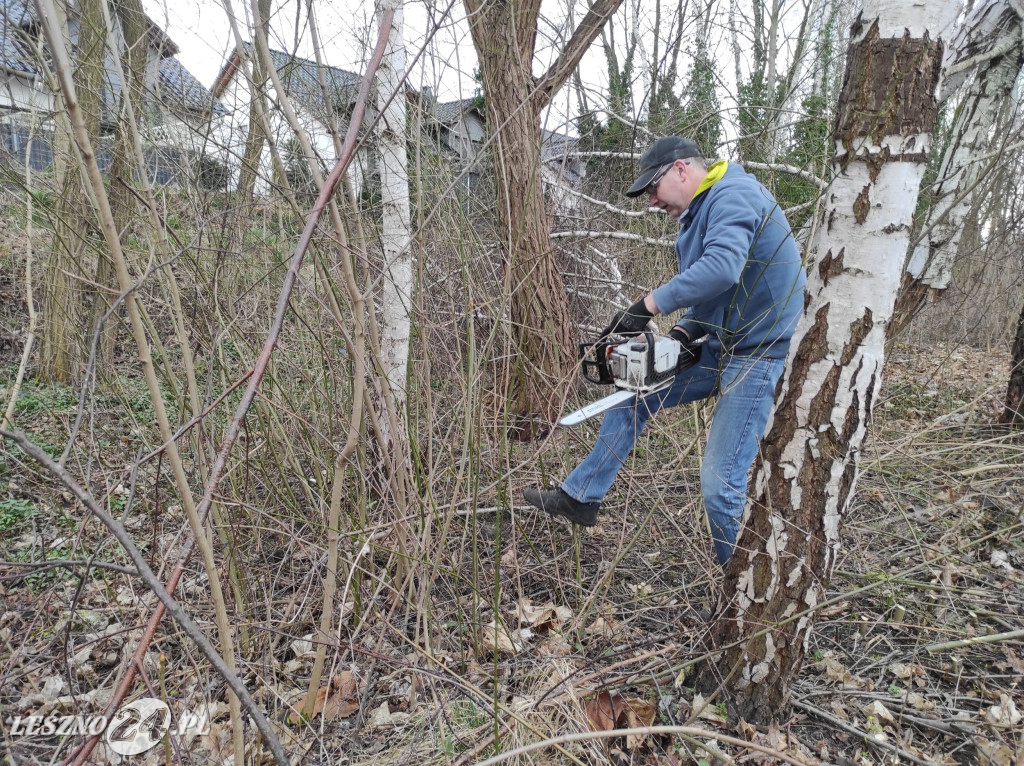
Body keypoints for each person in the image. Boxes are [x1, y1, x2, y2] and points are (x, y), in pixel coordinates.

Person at [524, 137, 807, 565]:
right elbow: (717, 297)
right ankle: (581, 496)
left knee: (719, 487)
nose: (652, 202)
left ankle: (746, 597)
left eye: (653, 189)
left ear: (680, 169)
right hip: (722, 344)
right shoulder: (699, 212)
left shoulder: (734, 194)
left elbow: (722, 268)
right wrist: (676, 336)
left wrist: (645, 306)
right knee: (634, 392)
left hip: (759, 353)